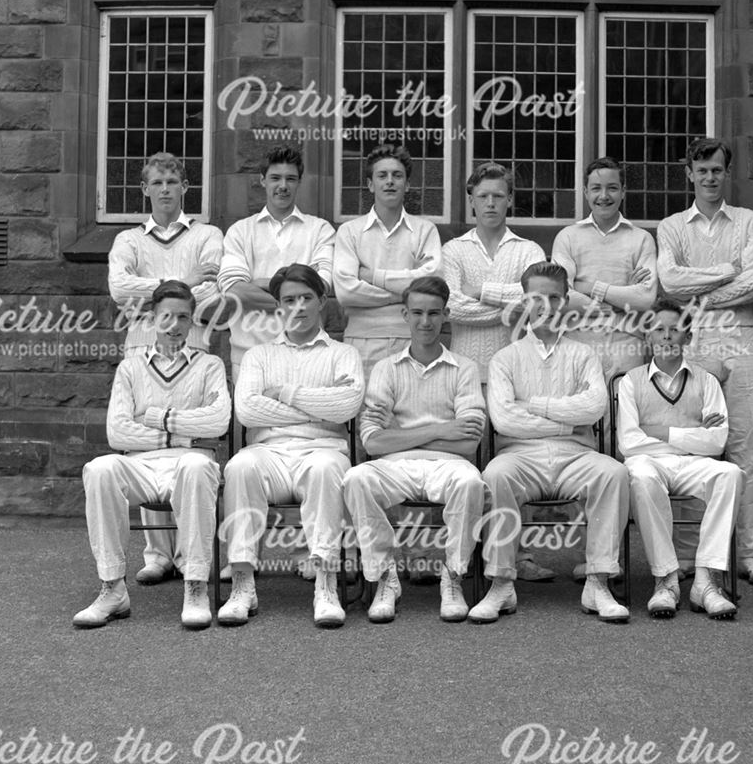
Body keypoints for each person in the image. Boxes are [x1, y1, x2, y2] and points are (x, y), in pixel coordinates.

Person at [471, 262, 631, 624]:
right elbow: (504, 419)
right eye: (536, 297)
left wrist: (536, 408)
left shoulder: (584, 354)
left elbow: (594, 408)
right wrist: (565, 423)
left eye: (554, 297)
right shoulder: (504, 359)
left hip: (577, 456)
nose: (545, 306)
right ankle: (500, 584)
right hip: (519, 455)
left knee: (614, 473)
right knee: (495, 475)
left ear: (565, 301)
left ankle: (598, 581)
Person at [73, 281, 231, 630]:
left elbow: (219, 421)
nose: (174, 325)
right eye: (167, 317)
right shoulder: (131, 367)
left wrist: (159, 420)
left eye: (183, 318)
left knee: (196, 463)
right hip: (141, 465)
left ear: (193, 322)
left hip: (191, 464)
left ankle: (195, 587)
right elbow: (118, 432)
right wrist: (187, 435)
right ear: (152, 319)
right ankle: (113, 588)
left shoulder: (210, 365)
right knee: (99, 468)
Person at [656, 138, 753, 586]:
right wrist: (728, 271)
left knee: (749, 445)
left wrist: (702, 293)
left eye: (717, 170)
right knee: (690, 448)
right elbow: (669, 281)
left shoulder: (749, 222)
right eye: (702, 169)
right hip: (692, 340)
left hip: (742, 339)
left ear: (728, 174)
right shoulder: (671, 227)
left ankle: (751, 552)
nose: (710, 177)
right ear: (689, 172)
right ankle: (689, 553)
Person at [218, 264, 364, 629]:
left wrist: (285, 395)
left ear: (322, 302)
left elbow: (346, 406)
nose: (298, 307)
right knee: (239, 466)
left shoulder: (343, 355)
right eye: (288, 300)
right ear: (278, 308)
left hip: (323, 451)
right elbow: (249, 411)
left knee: (326, 469)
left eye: (306, 298)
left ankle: (326, 584)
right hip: (268, 452)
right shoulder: (259, 356)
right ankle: (242, 583)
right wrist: (315, 412)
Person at [107, 151, 224, 585]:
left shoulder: (207, 234)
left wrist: (156, 299)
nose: (165, 190)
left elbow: (213, 288)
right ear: (144, 188)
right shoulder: (130, 240)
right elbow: (119, 288)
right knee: (144, 443)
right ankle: (157, 553)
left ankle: (191, 552)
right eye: (157, 182)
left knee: (189, 441)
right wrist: (177, 292)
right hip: (140, 344)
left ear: (185, 187)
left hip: (195, 343)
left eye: (173, 182)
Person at [341, 276, 486, 624]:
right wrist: (440, 429)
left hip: (449, 465)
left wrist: (402, 432)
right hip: (395, 466)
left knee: (471, 483)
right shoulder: (385, 369)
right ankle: (384, 578)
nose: (425, 322)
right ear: (405, 314)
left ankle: (453, 576)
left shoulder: (465, 369)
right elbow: (373, 441)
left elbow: (468, 442)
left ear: (446, 315)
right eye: (417, 313)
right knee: (357, 478)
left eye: (434, 313)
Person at [441, 161, 552, 583]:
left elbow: (537, 302)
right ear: (470, 200)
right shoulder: (454, 251)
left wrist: (481, 292)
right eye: (482, 195)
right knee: (466, 462)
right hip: (466, 368)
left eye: (498, 195)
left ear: (510, 200)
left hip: (514, 370)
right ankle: (462, 555)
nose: (490, 202)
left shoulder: (527, 251)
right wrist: (507, 304)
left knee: (508, 464)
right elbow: (452, 307)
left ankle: (513, 555)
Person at [617, 302, 742, 620]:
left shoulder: (707, 381)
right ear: (647, 336)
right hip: (650, 463)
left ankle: (706, 581)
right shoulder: (631, 381)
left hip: (691, 464)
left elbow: (716, 441)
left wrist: (661, 430)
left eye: (675, 329)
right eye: (659, 329)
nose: (667, 336)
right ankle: (666, 581)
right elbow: (630, 444)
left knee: (729, 473)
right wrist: (692, 432)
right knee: (640, 475)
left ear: (688, 336)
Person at [216, 145, 336, 380]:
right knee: (250, 417)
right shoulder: (240, 231)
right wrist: (298, 297)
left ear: (299, 182)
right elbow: (234, 291)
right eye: (275, 178)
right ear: (263, 180)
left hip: (306, 355)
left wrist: (261, 282)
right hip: (248, 353)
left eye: (290, 178)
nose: (283, 186)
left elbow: (321, 287)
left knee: (306, 416)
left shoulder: (320, 230)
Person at [333, 143, 442, 378]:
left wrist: (373, 277)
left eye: (397, 175)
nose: (390, 181)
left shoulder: (425, 230)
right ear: (371, 184)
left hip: (413, 340)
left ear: (408, 184)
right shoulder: (350, 231)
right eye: (382, 175)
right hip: (362, 342)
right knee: (368, 414)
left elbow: (432, 283)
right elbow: (346, 292)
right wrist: (405, 294)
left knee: (414, 412)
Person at [551, 157, 657, 380]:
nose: (604, 196)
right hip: (577, 341)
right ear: (585, 192)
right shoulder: (568, 237)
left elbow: (644, 299)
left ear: (623, 191)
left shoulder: (642, 239)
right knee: (581, 412)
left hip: (627, 343)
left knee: (624, 412)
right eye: (596, 188)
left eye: (612, 188)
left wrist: (588, 286)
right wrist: (620, 296)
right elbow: (559, 297)